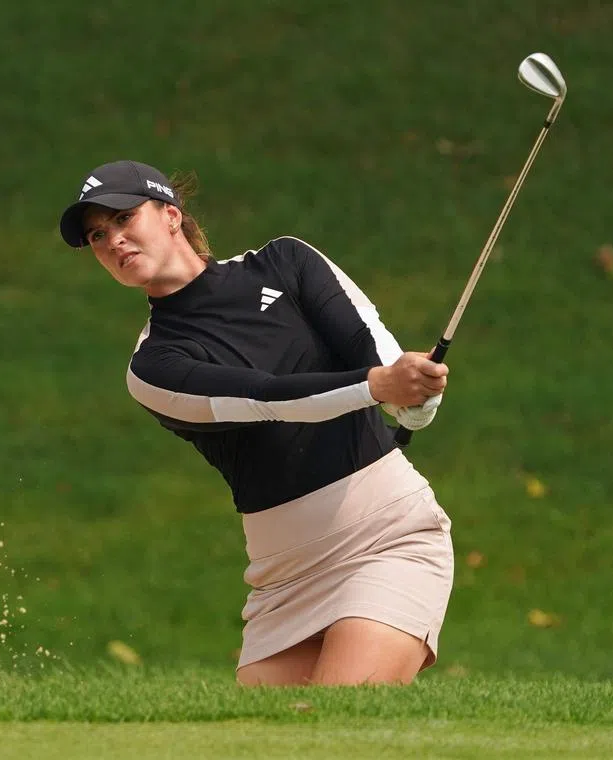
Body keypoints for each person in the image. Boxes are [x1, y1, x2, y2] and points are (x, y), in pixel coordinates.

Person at [57, 160, 453, 687]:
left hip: (386, 538)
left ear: (171, 215)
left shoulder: (285, 263)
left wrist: (414, 399)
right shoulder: (153, 366)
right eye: (98, 236)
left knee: (334, 731)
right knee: (264, 742)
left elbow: (376, 355)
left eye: (125, 218)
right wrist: (379, 386)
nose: (113, 241)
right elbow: (264, 398)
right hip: (282, 576)